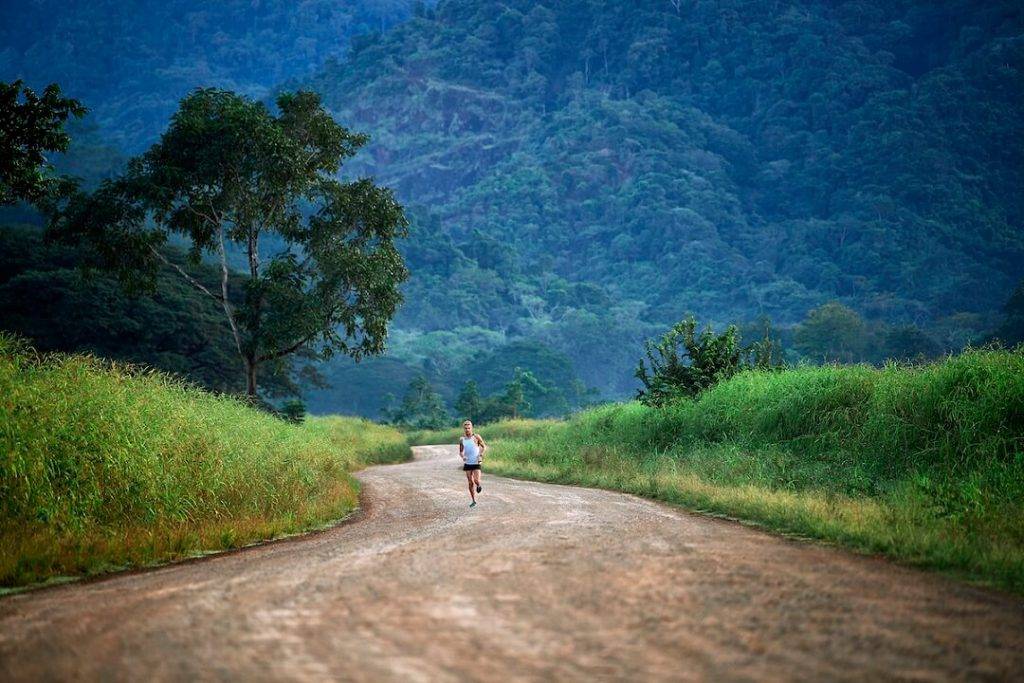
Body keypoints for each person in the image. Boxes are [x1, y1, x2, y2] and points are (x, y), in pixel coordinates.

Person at [459, 420, 487, 507]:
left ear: (472, 428)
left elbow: (484, 447)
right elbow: (461, 451)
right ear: (464, 429)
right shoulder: (462, 439)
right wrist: (462, 456)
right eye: (466, 428)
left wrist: (480, 455)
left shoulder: (476, 437)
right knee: (470, 482)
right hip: (467, 463)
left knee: (476, 480)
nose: (467, 430)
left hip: (476, 461)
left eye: (469, 428)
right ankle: (473, 500)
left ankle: (479, 485)